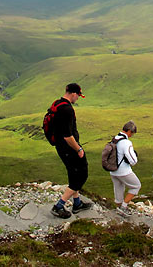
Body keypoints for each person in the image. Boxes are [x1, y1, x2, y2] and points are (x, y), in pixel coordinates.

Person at [50, 83, 92, 219]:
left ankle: (77, 203)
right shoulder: (67, 110)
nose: (78, 98)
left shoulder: (57, 104)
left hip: (61, 147)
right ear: (73, 93)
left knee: (73, 174)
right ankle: (59, 206)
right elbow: (67, 135)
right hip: (69, 148)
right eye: (78, 95)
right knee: (81, 175)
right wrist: (78, 149)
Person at [110, 121, 141, 217]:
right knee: (136, 186)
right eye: (132, 133)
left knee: (118, 188)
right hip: (123, 171)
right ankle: (123, 207)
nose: (131, 135)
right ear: (128, 131)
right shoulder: (126, 142)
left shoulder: (114, 139)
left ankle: (118, 210)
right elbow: (133, 160)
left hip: (112, 170)